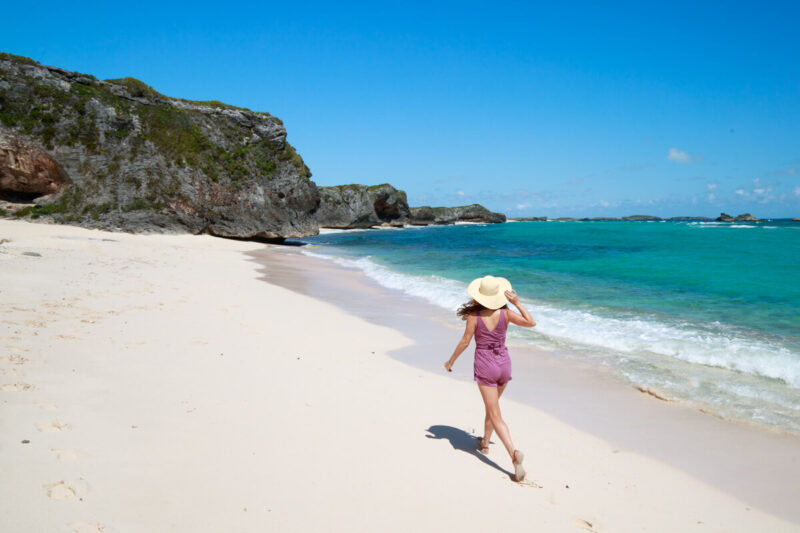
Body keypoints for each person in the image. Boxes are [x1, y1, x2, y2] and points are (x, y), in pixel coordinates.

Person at [444, 275, 536, 482]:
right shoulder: (506, 313)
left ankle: (513, 454)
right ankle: (485, 443)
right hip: (503, 363)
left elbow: (465, 342)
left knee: (495, 413)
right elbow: (531, 322)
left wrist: (450, 362)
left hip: (486, 365)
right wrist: (517, 303)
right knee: (492, 409)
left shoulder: (474, 317)